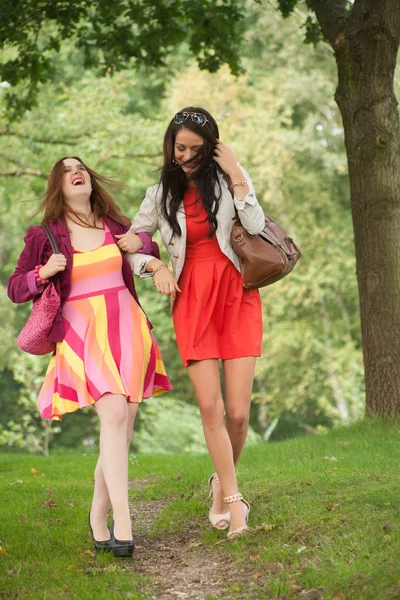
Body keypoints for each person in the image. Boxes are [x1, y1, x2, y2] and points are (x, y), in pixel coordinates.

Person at [7, 157, 172, 557]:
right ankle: (124, 519)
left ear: (90, 180)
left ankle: (97, 519)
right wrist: (42, 272)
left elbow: (141, 247)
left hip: (127, 327)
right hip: (83, 331)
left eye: (79, 167)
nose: (74, 172)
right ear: (58, 184)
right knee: (113, 417)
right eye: (65, 170)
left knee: (122, 429)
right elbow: (15, 287)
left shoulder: (113, 224)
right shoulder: (44, 235)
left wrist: (147, 247)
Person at [116, 107, 265, 539]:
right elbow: (133, 244)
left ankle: (221, 484)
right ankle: (235, 505)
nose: (185, 156)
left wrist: (235, 170)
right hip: (191, 298)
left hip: (237, 294)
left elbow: (254, 224)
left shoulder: (228, 179)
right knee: (210, 408)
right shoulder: (158, 193)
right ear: (170, 146)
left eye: (195, 150)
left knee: (238, 414)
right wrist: (155, 268)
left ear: (211, 148)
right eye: (179, 148)